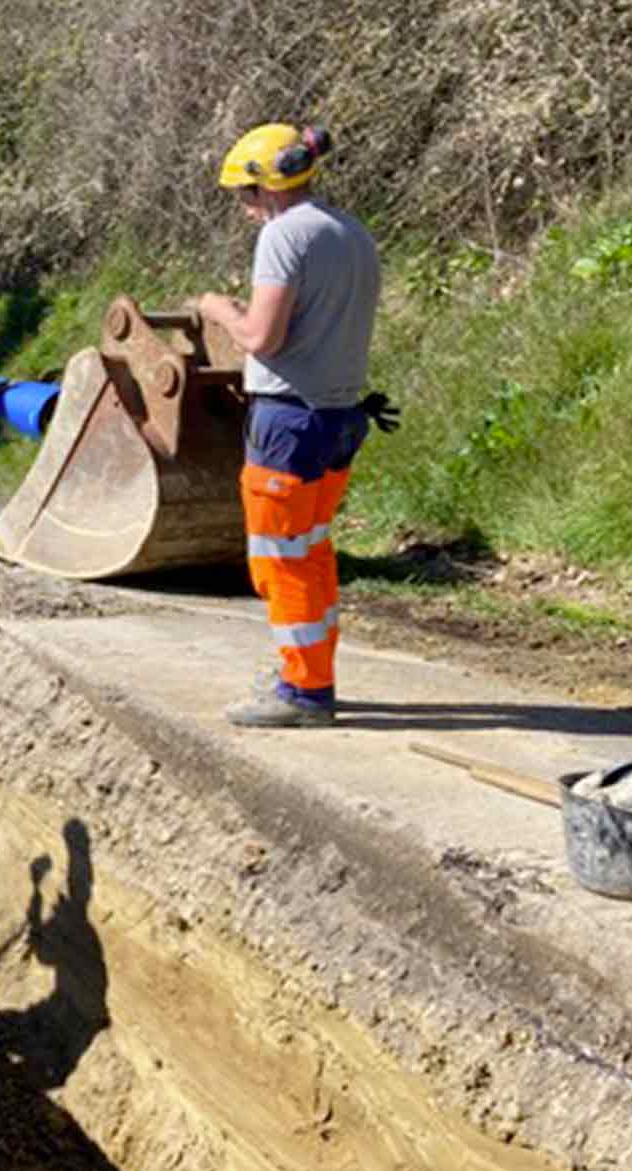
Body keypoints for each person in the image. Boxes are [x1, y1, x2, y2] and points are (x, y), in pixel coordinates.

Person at [192, 123, 385, 729]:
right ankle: (309, 672)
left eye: (246, 197)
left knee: (278, 559)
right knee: (311, 550)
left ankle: (303, 695)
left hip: (289, 421)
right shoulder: (350, 233)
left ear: (266, 188)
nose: (245, 210)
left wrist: (215, 308)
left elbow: (260, 337)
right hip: (340, 417)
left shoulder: (283, 236)